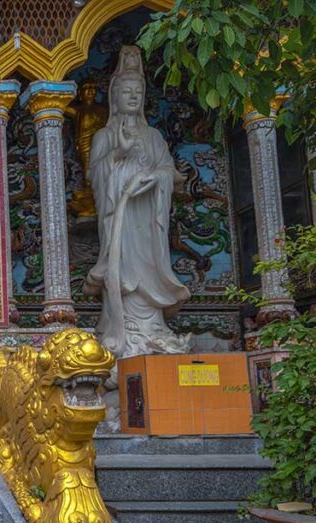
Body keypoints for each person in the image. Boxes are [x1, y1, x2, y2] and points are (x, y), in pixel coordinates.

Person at [84, 46, 191, 358]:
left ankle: (154, 327)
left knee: (148, 264)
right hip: (119, 215)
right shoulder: (104, 137)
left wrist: (156, 177)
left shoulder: (154, 136)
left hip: (148, 217)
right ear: (114, 97)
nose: (132, 96)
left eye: (137, 91)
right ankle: (124, 328)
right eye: (126, 91)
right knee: (122, 264)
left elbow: (172, 172)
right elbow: (95, 175)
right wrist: (119, 154)